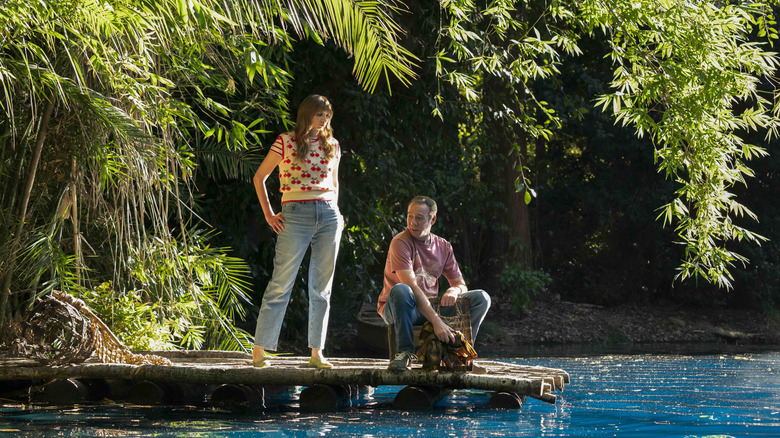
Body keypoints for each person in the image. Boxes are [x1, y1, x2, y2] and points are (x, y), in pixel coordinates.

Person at [251, 95, 343, 369]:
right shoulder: (286, 141)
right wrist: (269, 214)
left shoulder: (333, 145)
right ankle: (259, 351)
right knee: (281, 283)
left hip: (328, 214)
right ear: (307, 114)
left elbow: (334, 183)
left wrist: (336, 214)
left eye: (327, 115)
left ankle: (317, 353)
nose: (323, 120)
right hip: (295, 213)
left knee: (321, 289)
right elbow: (260, 177)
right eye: (319, 115)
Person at [378, 196, 491, 372]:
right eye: (409, 216)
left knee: (481, 298)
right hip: (399, 306)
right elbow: (412, 288)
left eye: (419, 218)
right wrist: (437, 321)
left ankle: (461, 352)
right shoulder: (400, 242)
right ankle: (405, 353)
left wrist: (454, 290)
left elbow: (461, 283)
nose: (412, 222)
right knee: (402, 289)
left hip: (429, 306)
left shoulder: (444, 246)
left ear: (433, 219)